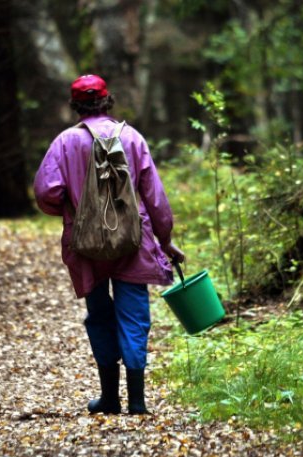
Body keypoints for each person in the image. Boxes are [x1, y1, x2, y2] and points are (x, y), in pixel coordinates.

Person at [33, 74, 185, 415]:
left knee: (99, 314)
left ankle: (109, 398)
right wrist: (166, 240)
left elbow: (45, 192)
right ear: (107, 100)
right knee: (134, 315)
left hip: (85, 242)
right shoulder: (131, 137)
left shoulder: (65, 142)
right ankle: (137, 400)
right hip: (133, 238)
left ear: (75, 106)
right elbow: (155, 198)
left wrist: (73, 207)